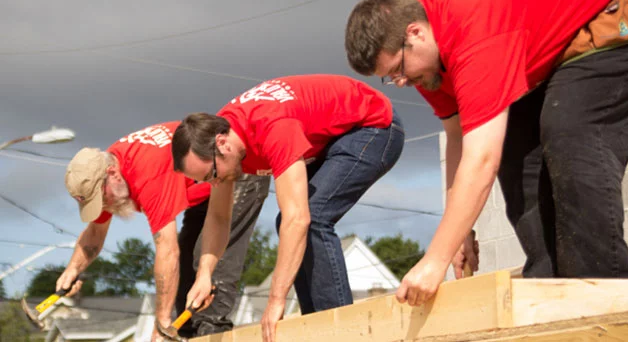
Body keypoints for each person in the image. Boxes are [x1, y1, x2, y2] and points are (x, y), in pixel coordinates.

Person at [345, 0, 628, 307]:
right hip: (539, 55)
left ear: (415, 33)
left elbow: (482, 159)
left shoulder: (473, 31)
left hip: (604, 14)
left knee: (569, 133)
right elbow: (458, 138)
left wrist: (434, 260)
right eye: (389, 77)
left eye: (397, 70)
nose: (399, 82)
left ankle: (608, 301)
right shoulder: (425, 64)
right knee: (518, 160)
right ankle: (551, 300)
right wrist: (457, 234)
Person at [171, 74, 405, 342]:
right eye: (205, 180)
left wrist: (275, 300)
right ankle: (317, 326)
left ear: (222, 144)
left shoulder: (271, 126)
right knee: (289, 223)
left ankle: (340, 332)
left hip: (374, 127)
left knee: (311, 217)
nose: (214, 182)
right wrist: (204, 274)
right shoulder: (222, 139)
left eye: (212, 174)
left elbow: (299, 219)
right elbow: (219, 217)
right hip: (333, 136)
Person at [59, 122, 269, 340]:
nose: (103, 207)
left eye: (101, 200)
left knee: (212, 268)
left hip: (235, 166)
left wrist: (161, 323)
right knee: (188, 267)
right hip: (203, 184)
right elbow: (95, 232)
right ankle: (185, 335)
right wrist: (72, 270)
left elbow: (168, 251)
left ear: (113, 174)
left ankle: (212, 332)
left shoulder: (147, 174)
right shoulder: (106, 169)